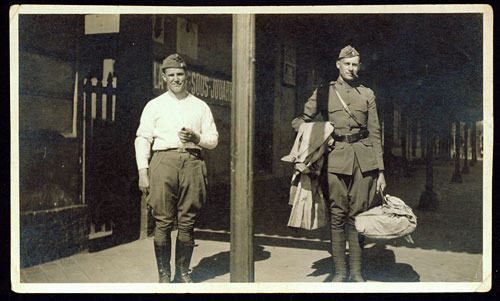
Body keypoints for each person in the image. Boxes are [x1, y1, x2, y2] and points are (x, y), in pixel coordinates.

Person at [292, 45, 386, 282]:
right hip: (335, 160)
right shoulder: (324, 93)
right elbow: (299, 121)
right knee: (337, 214)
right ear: (338, 64)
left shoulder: (368, 94)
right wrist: (322, 133)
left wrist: (381, 170)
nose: (351, 69)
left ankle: (355, 272)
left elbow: (375, 133)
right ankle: (340, 272)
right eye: (347, 64)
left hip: (365, 162)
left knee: (358, 216)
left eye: (355, 64)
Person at [135, 53, 219, 283]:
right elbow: (142, 138)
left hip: (192, 162)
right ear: (163, 77)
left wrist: (196, 136)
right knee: (162, 221)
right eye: (171, 75)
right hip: (163, 162)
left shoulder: (200, 106)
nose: (176, 79)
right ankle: (164, 276)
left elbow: (213, 140)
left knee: (188, 220)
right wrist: (143, 171)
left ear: (186, 76)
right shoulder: (154, 105)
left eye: (180, 74)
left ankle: (182, 274)